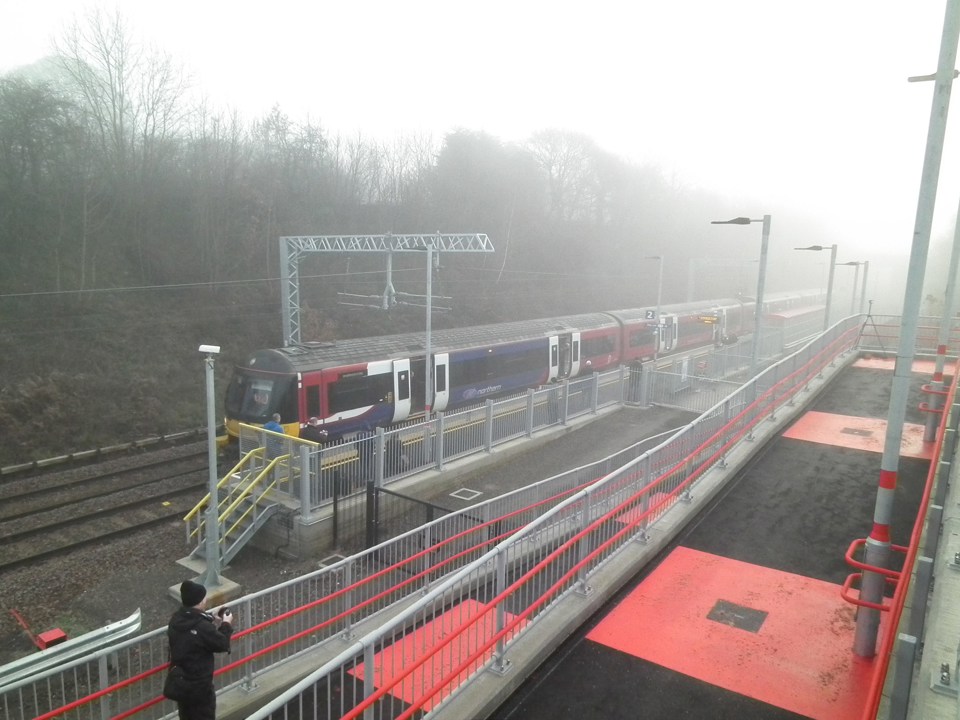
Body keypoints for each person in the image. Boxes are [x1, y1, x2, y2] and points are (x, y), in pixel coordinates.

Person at [166, 580, 233, 720]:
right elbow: (222, 643)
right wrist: (226, 624)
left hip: (181, 683)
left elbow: (193, 632)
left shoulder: (175, 619)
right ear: (200, 601)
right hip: (200, 687)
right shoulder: (202, 627)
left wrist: (209, 619)